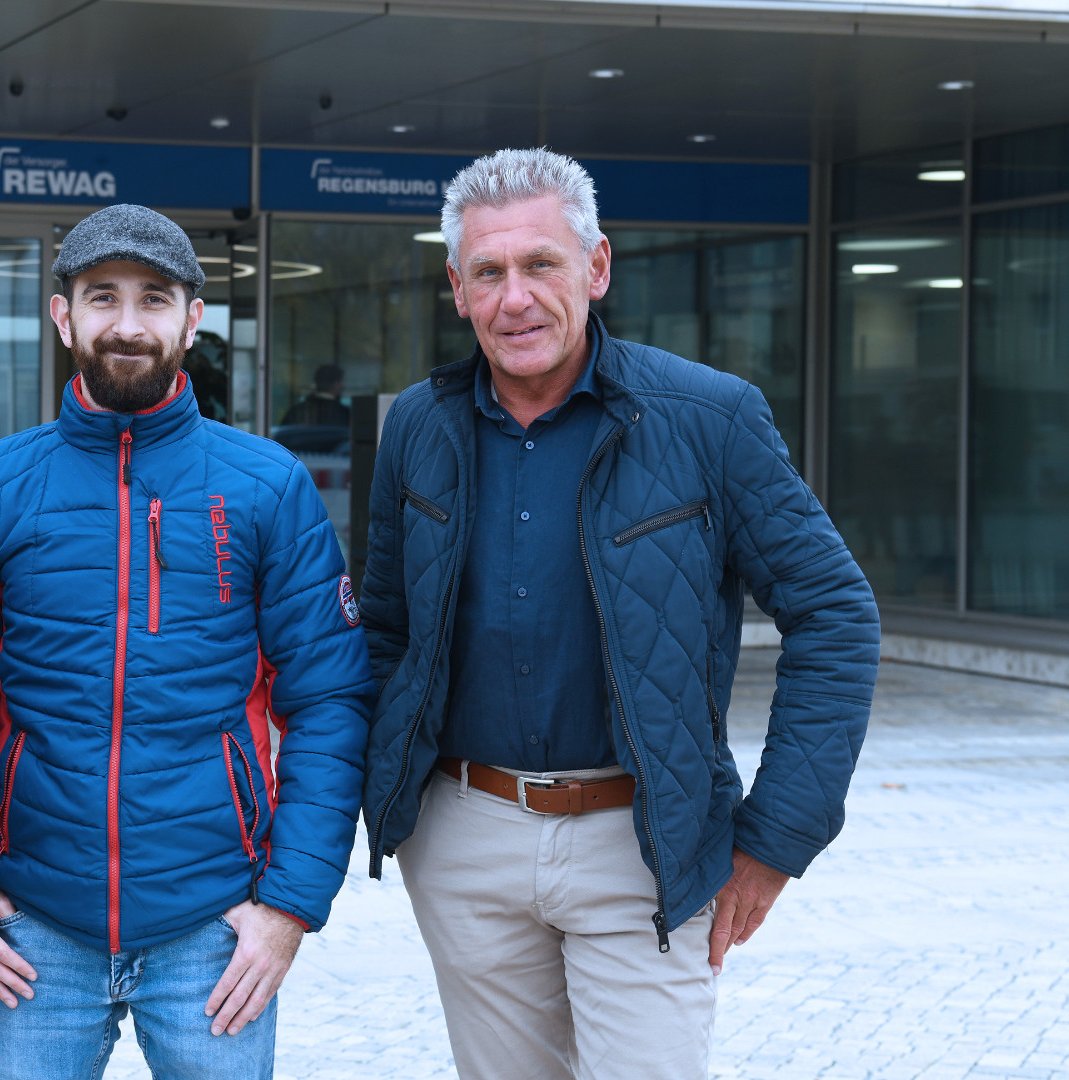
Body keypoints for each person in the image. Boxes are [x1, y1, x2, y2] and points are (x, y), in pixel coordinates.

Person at [359, 148, 880, 1079]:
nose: (515, 297)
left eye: (541, 265)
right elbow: (388, 632)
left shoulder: (710, 419)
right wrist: (388, 804)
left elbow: (836, 612)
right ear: (457, 287)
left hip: (646, 848)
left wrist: (776, 839)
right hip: (466, 838)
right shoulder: (418, 427)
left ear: (596, 268)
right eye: (489, 272)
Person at [0, 204, 372, 1080]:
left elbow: (329, 701)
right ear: (64, 317)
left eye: (154, 299)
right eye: (102, 298)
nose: (127, 325)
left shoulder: (267, 486)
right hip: (36, 928)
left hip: (214, 930)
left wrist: (290, 903)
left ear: (192, 318)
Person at [279, 364, 352, 428]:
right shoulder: (343, 414)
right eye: (341, 382)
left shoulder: (297, 411)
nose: (342, 386)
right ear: (336, 384)